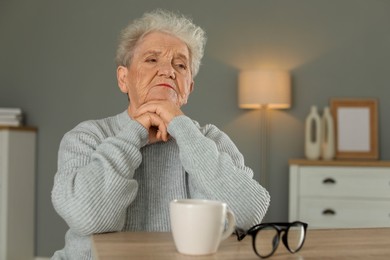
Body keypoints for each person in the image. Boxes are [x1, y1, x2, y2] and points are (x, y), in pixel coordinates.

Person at [51, 9, 270, 259]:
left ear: (188, 88)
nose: (168, 71)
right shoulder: (86, 136)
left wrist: (182, 128)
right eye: (152, 60)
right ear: (124, 79)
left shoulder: (211, 140)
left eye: (180, 65)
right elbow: (89, 218)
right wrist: (135, 132)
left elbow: (248, 214)